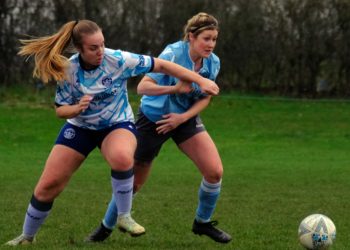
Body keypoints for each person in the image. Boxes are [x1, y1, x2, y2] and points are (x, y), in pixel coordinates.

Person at [5, 19, 219, 246]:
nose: (100, 51)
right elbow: (60, 110)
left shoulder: (118, 59)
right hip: (80, 128)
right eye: (93, 48)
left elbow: (162, 66)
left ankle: (124, 217)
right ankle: (27, 236)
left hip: (116, 124)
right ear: (79, 49)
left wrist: (199, 79)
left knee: (122, 157)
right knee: (48, 186)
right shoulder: (69, 69)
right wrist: (76, 108)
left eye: (102, 44)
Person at [86, 13, 231, 244]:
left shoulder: (213, 62)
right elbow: (143, 87)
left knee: (215, 172)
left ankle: (202, 223)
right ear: (191, 37)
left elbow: (205, 97)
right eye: (206, 38)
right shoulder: (173, 54)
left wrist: (182, 118)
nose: (211, 45)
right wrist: (174, 90)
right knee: (133, 183)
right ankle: (105, 227)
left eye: (214, 39)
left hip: (184, 120)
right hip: (152, 121)